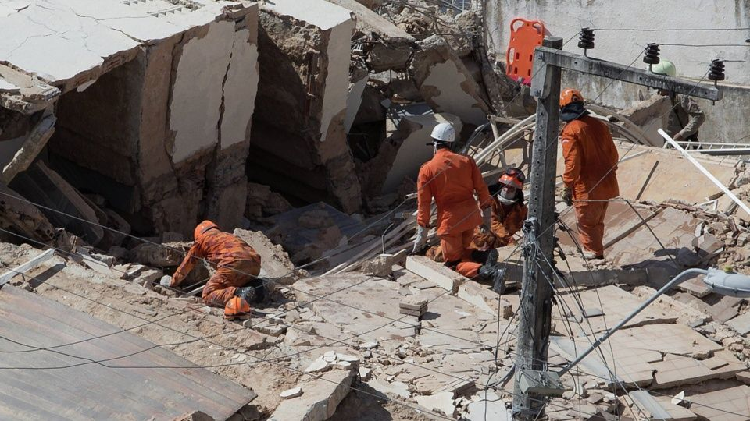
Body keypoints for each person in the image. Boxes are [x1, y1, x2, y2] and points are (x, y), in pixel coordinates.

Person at [413, 122, 506, 291]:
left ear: (435, 144)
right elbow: (482, 190)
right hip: (470, 217)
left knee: (453, 263)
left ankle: (489, 272)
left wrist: (421, 237)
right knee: (463, 251)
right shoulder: (466, 161)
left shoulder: (427, 169)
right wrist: (485, 221)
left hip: (450, 222)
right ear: (450, 143)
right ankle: (485, 255)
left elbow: (424, 205)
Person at [559, 89, 620, 260]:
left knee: (586, 224)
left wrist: (567, 185)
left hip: (587, 187)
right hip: (607, 185)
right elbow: (614, 156)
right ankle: (597, 253)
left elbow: (572, 162)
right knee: (597, 223)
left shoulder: (571, 131)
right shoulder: (600, 125)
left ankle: (594, 258)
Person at [170, 220, 265, 319]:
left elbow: (186, 265)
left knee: (207, 294)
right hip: (255, 264)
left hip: (233, 263)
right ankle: (258, 286)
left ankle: (239, 293)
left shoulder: (203, 239)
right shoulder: (228, 235)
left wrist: (174, 283)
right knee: (235, 280)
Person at [652, 60, 705, 149]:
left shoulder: (680, 97)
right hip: (659, 144)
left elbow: (700, 116)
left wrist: (682, 134)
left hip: (677, 146)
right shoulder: (655, 94)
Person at [472, 168, 529, 250]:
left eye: (511, 188)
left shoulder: (521, 210)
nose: (507, 190)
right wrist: (509, 240)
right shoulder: (488, 201)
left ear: (517, 191)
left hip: (502, 247)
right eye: (505, 186)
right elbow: (492, 223)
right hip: (479, 243)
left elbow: (529, 223)